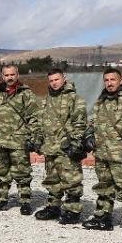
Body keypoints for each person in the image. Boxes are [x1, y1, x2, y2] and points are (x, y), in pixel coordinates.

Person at [83, 68, 122, 239]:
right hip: (102, 153)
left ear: (121, 80)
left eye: (113, 79)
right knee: (104, 187)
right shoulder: (101, 100)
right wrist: (89, 135)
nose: (109, 83)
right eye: (106, 80)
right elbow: (93, 121)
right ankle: (103, 218)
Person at [0, 65, 41, 215]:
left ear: (17, 75)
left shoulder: (26, 94)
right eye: (6, 75)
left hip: (18, 141)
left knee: (22, 172)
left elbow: (34, 117)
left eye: (12, 74)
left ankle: (25, 201)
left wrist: (32, 137)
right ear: (2, 76)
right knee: (1, 171)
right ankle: (0, 199)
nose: (9, 77)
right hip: (0, 140)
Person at [34, 69, 87, 224]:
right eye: (51, 80)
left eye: (56, 79)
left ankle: (73, 210)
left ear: (64, 78)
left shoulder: (74, 99)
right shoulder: (46, 100)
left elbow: (80, 123)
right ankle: (53, 207)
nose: (54, 83)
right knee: (52, 180)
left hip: (66, 148)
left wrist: (76, 144)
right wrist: (37, 140)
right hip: (50, 147)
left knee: (71, 180)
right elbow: (40, 123)